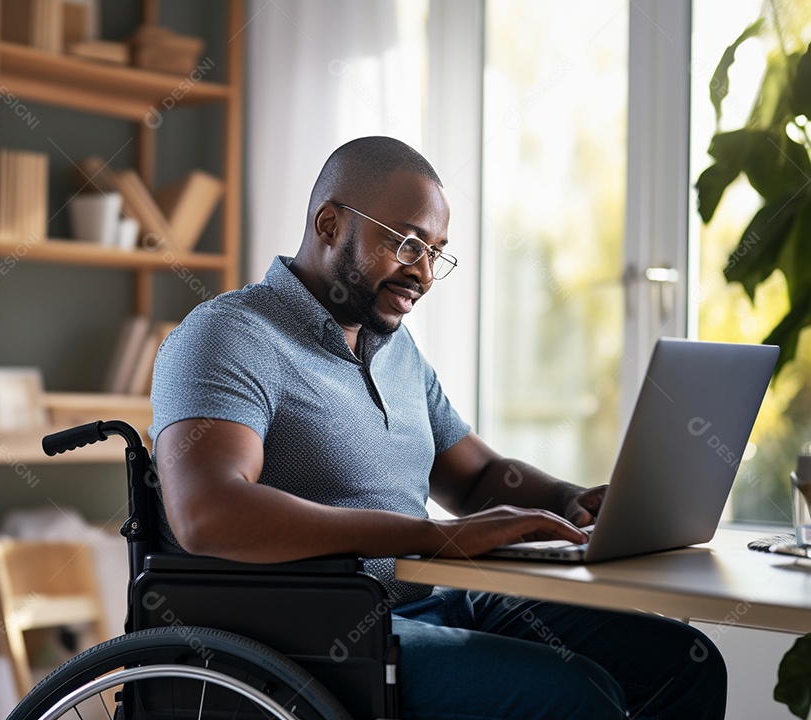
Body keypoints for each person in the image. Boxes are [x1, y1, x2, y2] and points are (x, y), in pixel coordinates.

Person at [149, 136, 726, 719]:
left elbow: (475, 478)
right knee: (577, 693)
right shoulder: (227, 337)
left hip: (436, 601)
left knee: (682, 661)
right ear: (329, 224)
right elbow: (208, 514)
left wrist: (570, 499)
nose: (423, 273)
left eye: (435, 252)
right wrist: (434, 537)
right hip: (322, 633)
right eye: (405, 244)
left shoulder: (395, 350)